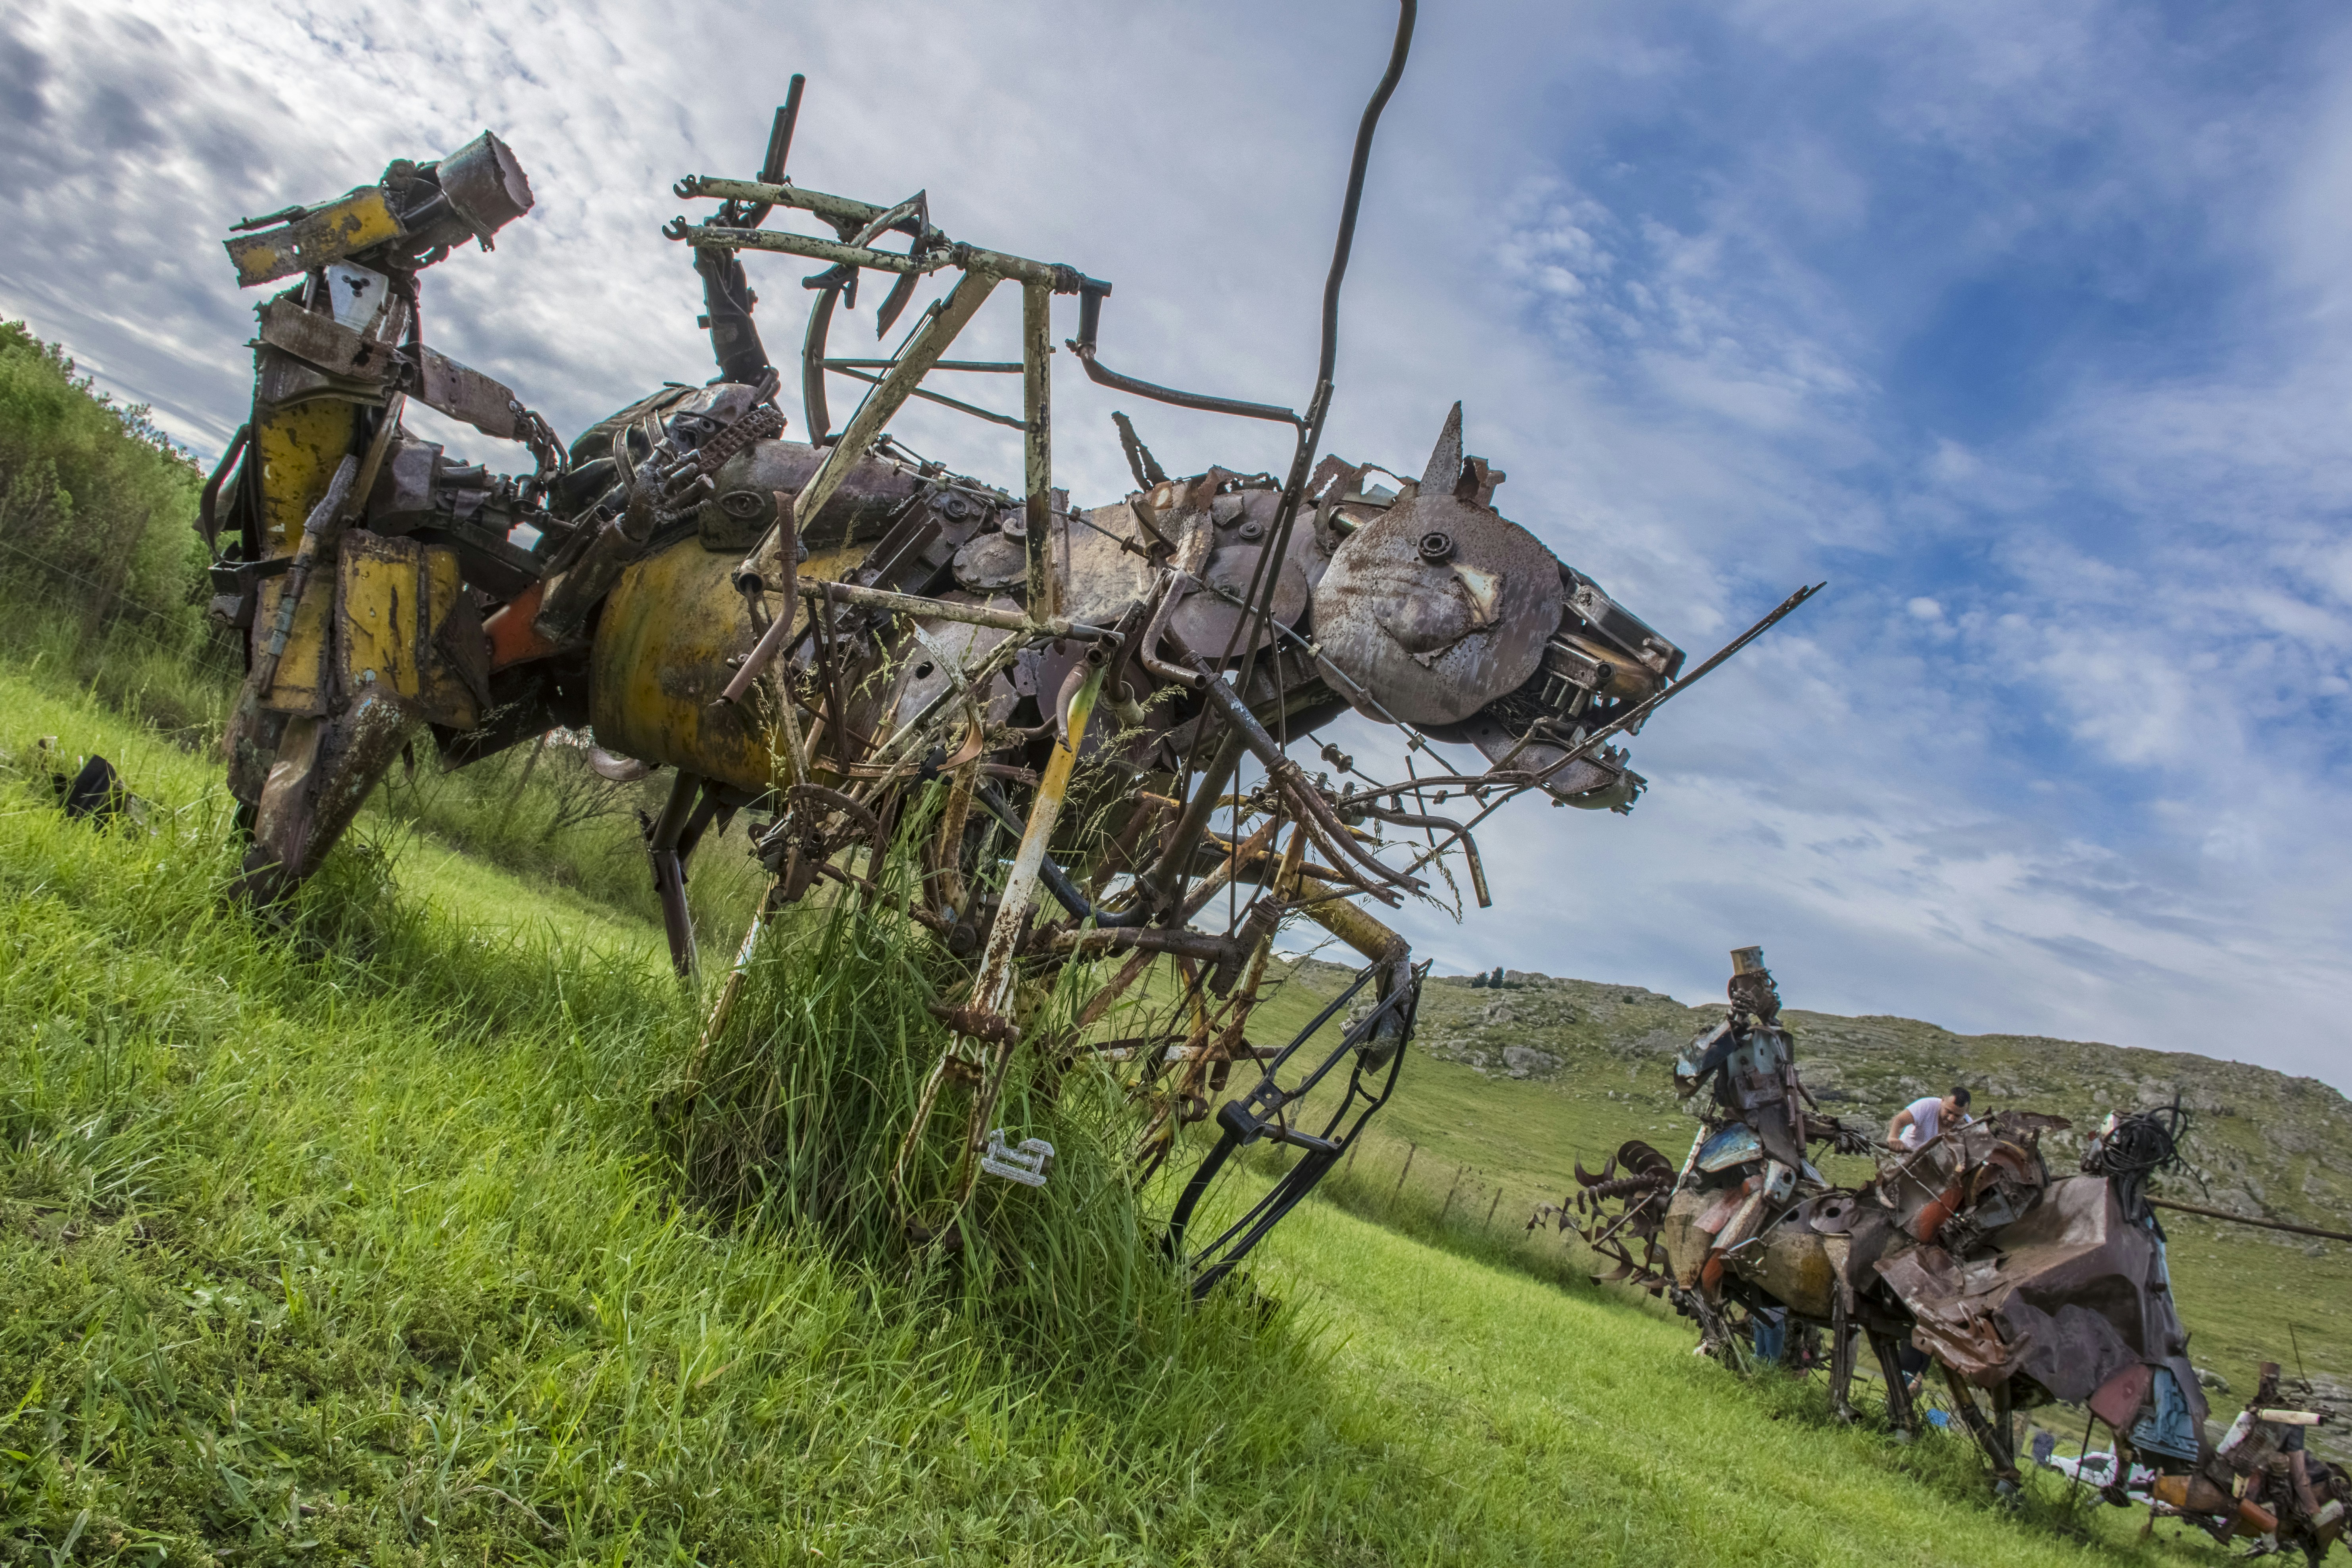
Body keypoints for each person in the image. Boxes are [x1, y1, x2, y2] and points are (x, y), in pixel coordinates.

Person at [1888, 1086, 1972, 1151]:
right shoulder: (1926, 1106)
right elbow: (1899, 1120)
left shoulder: (1968, 1125)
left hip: (1937, 1163)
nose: (1951, 1118)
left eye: (1957, 1116)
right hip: (1908, 1154)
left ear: (1966, 1111)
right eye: (1949, 1112)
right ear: (1943, 1101)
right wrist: (1893, 1137)